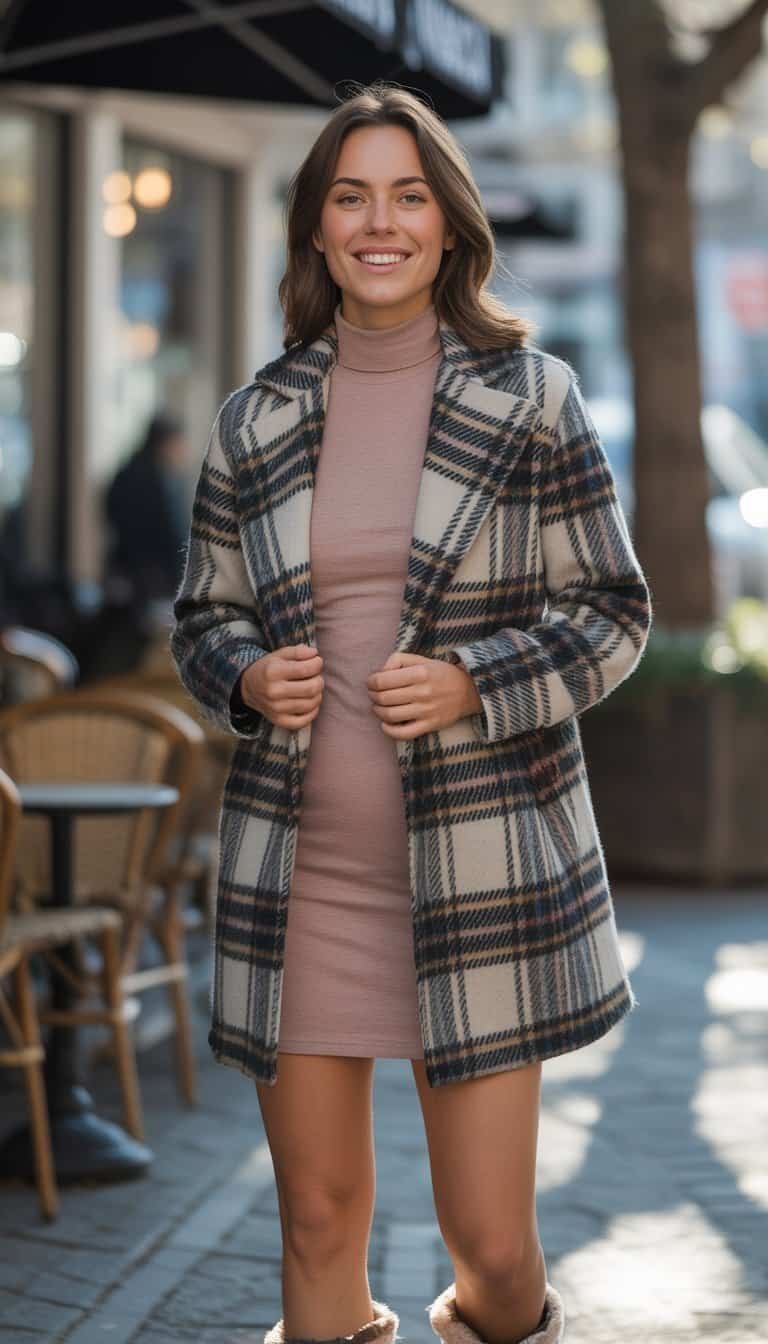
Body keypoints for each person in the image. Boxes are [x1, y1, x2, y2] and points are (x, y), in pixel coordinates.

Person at [171, 83, 652, 1344]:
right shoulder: (255, 419)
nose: (379, 222)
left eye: (407, 194)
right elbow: (202, 615)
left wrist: (474, 680)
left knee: (492, 1250)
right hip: (300, 879)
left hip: (481, 877)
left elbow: (612, 613)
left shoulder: (532, 399)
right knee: (316, 1230)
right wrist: (240, 674)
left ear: (449, 224)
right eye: (351, 196)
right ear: (319, 229)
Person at [105, 410, 191, 608]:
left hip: (126, 576)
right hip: (152, 584)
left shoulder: (126, 473)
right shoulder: (161, 481)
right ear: (167, 443)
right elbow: (173, 534)